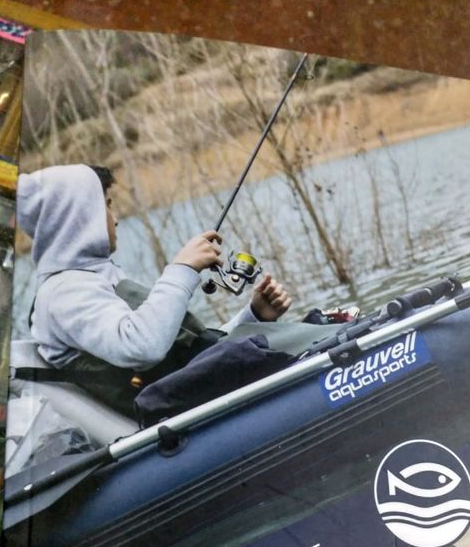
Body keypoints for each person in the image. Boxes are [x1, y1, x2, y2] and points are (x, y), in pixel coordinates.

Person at [16, 163, 292, 412]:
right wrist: (182, 269)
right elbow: (142, 347)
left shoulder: (92, 279)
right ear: (77, 217)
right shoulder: (63, 293)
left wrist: (254, 316)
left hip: (197, 397)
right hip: (187, 417)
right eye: (107, 206)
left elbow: (189, 356)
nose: (115, 218)